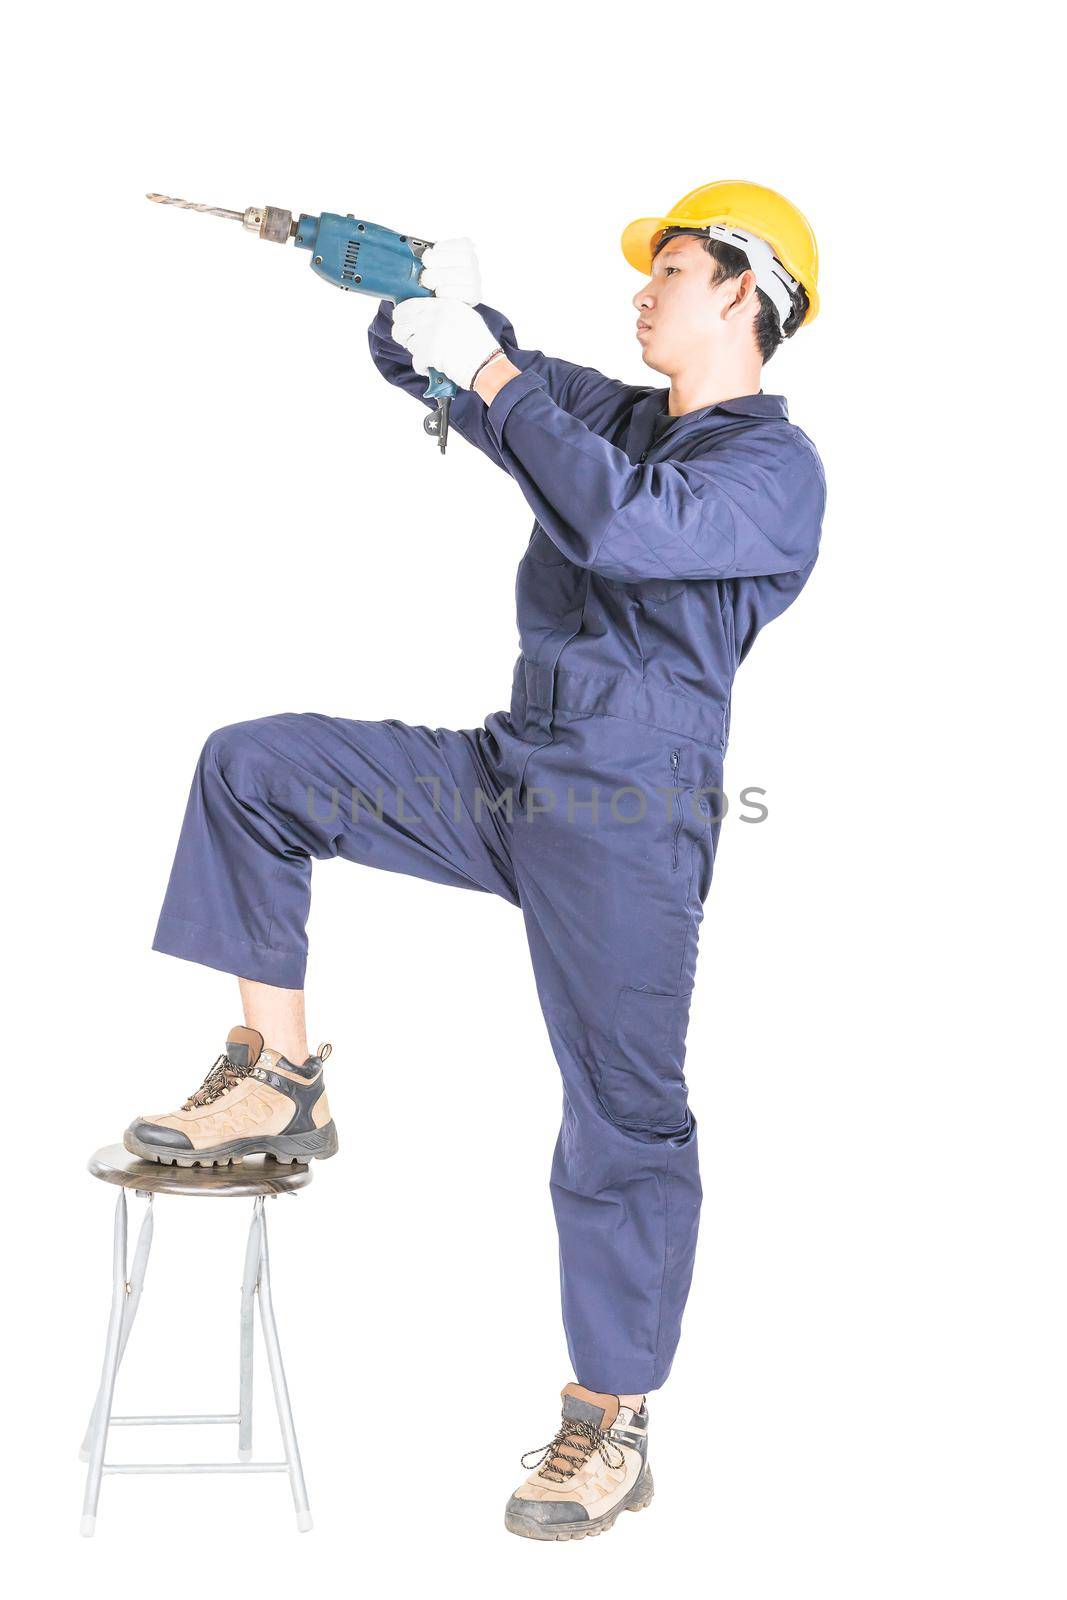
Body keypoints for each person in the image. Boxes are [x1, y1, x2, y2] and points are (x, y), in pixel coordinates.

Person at [125, 180, 825, 1541]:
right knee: (255, 766)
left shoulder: (771, 475)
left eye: (671, 268)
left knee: (620, 1120)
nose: (644, 288)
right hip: (512, 775)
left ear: (744, 291)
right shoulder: (613, 416)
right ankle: (277, 1078)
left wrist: (490, 363)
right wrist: (419, 298)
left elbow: (621, 523)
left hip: (628, 823)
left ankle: (608, 1420)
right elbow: (451, 369)